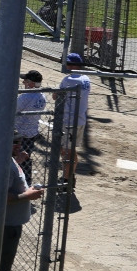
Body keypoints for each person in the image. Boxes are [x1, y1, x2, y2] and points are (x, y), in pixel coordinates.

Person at [0, 139, 45, 271]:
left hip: (10, 224)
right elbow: (2, 197)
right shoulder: (6, 166)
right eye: (14, 142)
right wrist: (28, 195)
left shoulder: (7, 161)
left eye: (19, 141)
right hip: (7, 227)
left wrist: (17, 160)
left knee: (0, 270)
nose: (19, 145)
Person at [58, 52, 92, 185]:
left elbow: (57, 96)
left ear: (71, 65)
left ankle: (66, 181)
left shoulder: (68, 79)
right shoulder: (86, 79)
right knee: (70, 150)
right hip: (81, 120)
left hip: (69, 121)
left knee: (67, 152)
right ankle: (70, 176)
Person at [14, 69, 48, 181]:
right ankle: (26, 181)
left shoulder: (25, 97)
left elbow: (12, 110)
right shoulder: (42, 97)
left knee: (17, 160)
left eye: (26, 81)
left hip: (19, 133)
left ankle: (20, 182)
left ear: (32, 84)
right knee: (26, 157)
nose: (23, 82)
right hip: (32, 133)